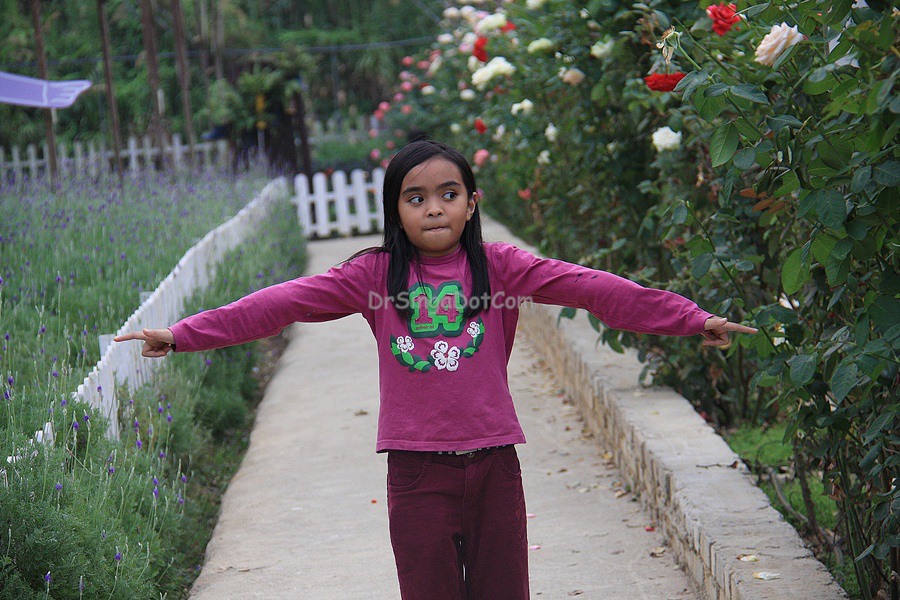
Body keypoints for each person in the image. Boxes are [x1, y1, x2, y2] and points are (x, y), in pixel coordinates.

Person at [114, 139, 757, 599]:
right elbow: (281, 303)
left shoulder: (500, 268)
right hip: (416, 470)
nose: (433, 209)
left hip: (495, 463)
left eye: (448, 195)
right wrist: (183, 334)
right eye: (415, 198)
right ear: (395, 210)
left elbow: (591, 287)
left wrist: (689, 318)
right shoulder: (372, 276)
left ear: (472, 203)